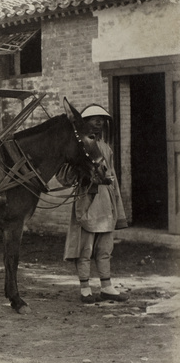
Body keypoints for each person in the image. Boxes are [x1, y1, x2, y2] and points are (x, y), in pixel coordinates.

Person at [57, 104, 129, 304]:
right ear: (85, 123)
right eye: (94, 119)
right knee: (85, 248)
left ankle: (107, 287)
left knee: (105, 248)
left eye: (102, 119)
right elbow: (64, 175)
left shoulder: (106, 148)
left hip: (106, 200)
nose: (99, 123)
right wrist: (81, 174)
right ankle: (85, 288)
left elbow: (112, 176)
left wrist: (117, 206)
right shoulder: (78, 147)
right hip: (87, 198)